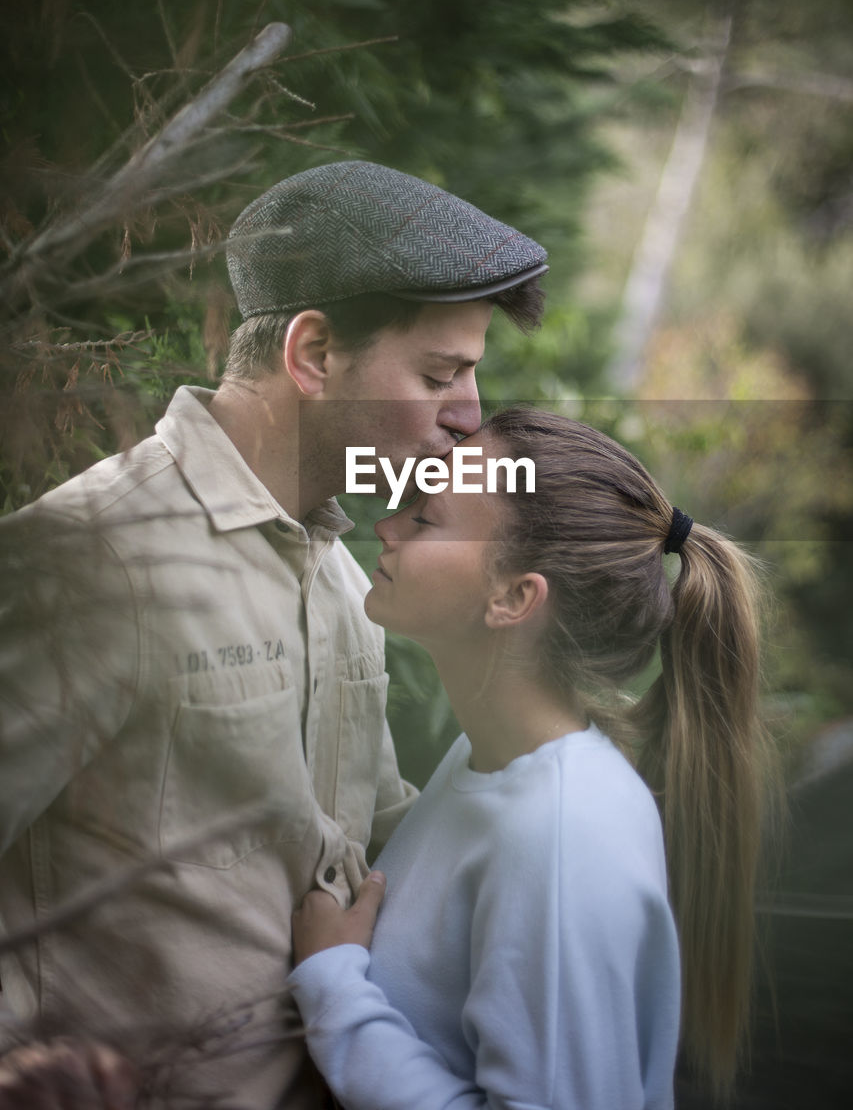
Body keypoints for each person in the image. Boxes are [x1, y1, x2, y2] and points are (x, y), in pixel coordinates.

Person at [0, 161, 547, 1108]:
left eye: (472, 374)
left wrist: (567, 802)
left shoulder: (341, 574)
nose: (467, 414)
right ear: (313, 353)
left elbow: (361, 847)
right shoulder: (92, 560)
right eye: (438, 373)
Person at [290, 407, 772, 1110]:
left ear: (514, 598)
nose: (387, 526)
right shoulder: (485, 760)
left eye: (425, 519)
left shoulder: (560, 835)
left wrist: (334, 984)